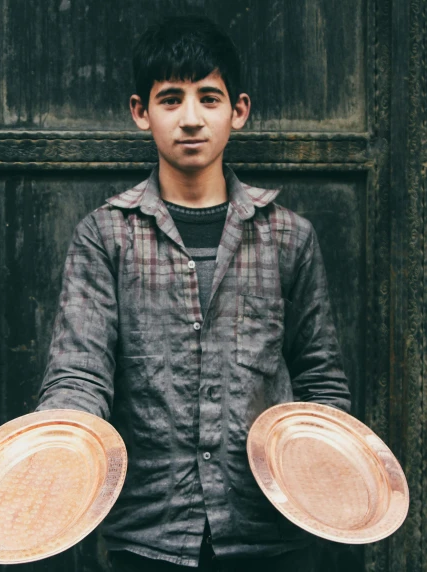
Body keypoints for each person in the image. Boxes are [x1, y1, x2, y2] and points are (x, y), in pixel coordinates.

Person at [37, 15, 350, 572]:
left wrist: (323, 485)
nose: (190, 119)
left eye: (209, 98)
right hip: (149, 532)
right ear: (141, 112)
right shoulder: (106, 236)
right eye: (170, 99)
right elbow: (78, 375)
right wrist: (59, 452)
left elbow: (321, 379)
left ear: (239, 110)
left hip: (269, 529)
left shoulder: (288, 237)